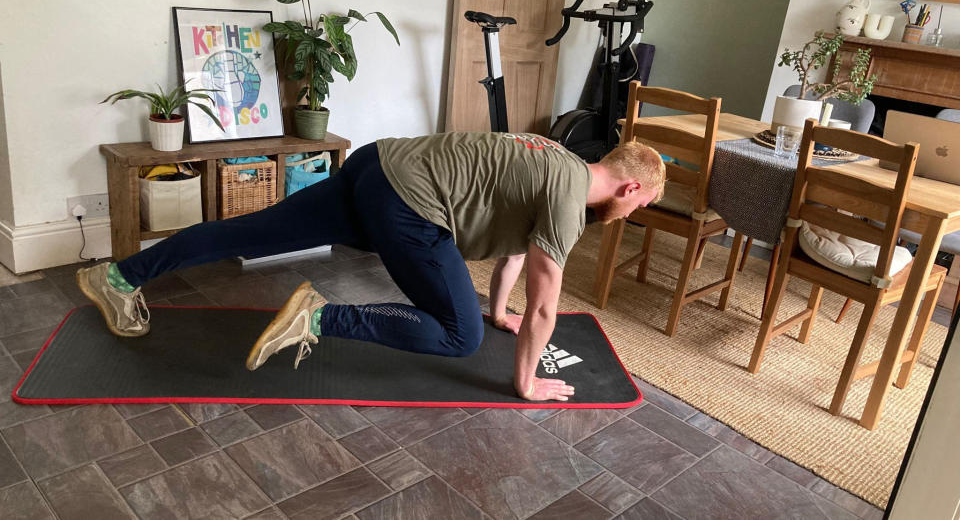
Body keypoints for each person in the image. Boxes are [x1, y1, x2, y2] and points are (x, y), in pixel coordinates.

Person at [76, 132, 665, 402]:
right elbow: (547, 303)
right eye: (640, 206)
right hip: (410, 201)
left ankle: (120, 275)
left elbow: (516, 249)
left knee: (250, 232)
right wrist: (525, 381)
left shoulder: (555, 158)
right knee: (458, 338)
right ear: (632, 185)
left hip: (377, 164)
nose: (631, 214)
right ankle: (318, 317)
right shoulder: (570, 202)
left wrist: (498, 311)